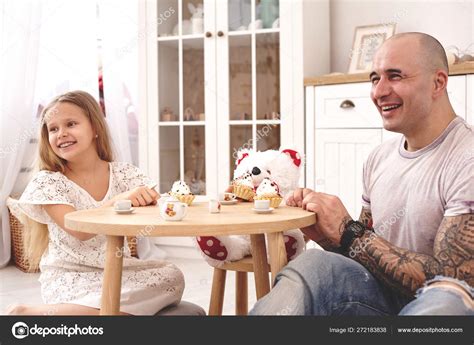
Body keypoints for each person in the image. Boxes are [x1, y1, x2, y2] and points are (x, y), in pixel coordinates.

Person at [250, 32, 473, 315]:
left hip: (445, 309)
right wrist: (329, 235)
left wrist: (349, 231)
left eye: (395, 76)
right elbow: (365, 254)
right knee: (313, 265)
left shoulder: (467, 158)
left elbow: (455, 281)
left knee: (446, 302)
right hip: (382, 302)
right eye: (374, 78)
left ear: (437, 83)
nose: (378, 92)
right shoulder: (378, 159)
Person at [6, 91, 185, 315]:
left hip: (119, 268)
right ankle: (27, 313)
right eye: (53, 129)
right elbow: (78, 230)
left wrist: (160, 202)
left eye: (71, 124)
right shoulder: (48, 182)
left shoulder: (124, 173)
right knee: (116, 296)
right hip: (71, 275)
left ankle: (104, 315)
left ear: (95, 129)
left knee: (172, 275)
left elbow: (155, 209)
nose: (61, 134)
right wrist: (117, 201)